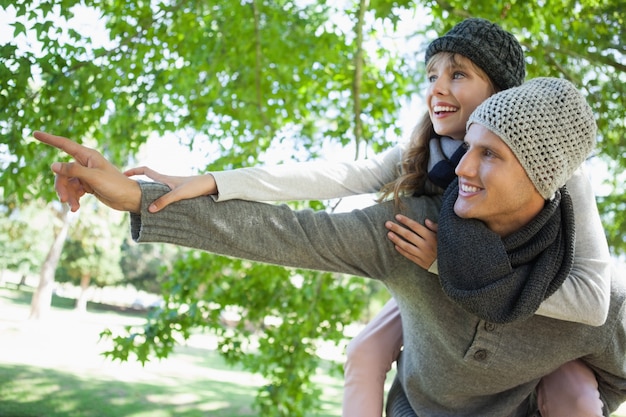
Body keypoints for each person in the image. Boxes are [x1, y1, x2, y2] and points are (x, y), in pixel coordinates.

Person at [34, 77, 626, 416]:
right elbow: (292, 229)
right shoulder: (412, 229)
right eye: (466, 144)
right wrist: (142, 197)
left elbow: (611, 361)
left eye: (490, 154)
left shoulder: (585, 290)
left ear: (548, 181)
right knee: (365, 351)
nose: (460, 167)